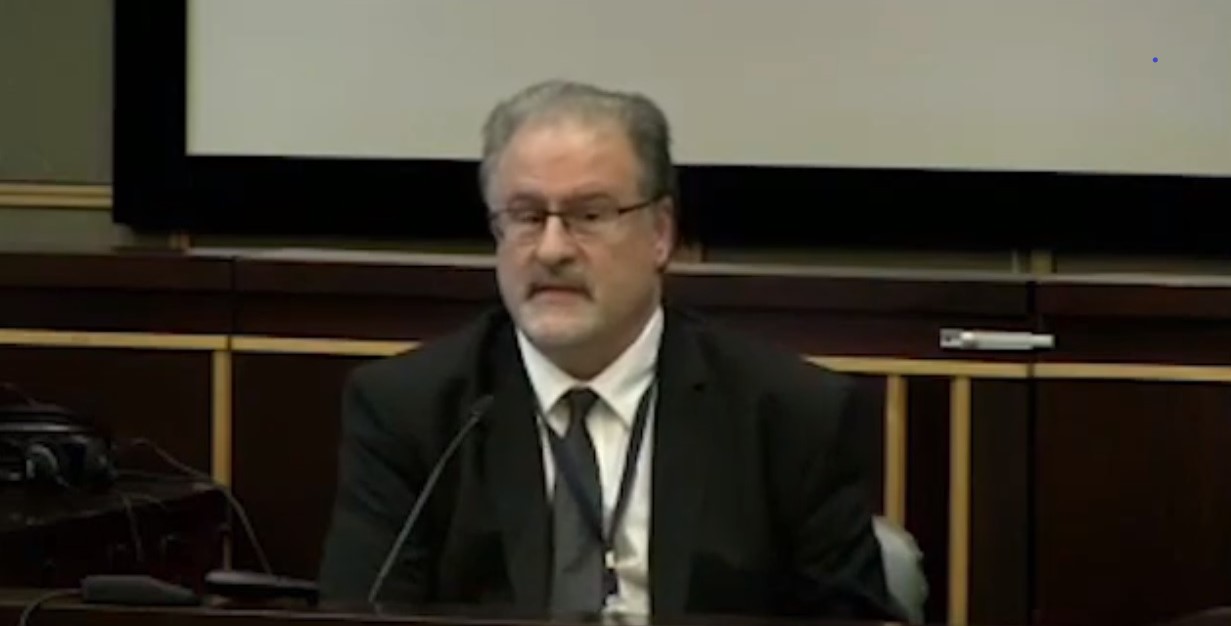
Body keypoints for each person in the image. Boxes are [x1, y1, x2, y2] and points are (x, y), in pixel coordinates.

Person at [317, 79, 899, 621]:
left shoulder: (789, 415)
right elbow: (363, 613)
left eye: (589, 215)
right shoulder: (412, 412)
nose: (552, 250)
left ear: (660, 233)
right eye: (526, 217)